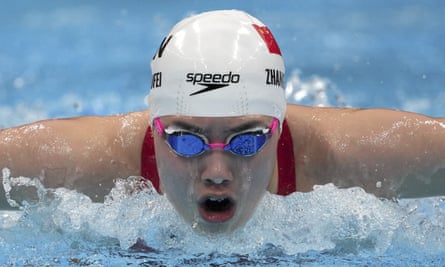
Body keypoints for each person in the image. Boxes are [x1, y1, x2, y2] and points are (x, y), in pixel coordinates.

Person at [1, 10, 444, 233]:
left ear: (279, 124)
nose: (216, 172)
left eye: (247, 140)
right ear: (154, 129)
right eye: (185, 140)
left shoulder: (346, 158)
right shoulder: (86, 164)